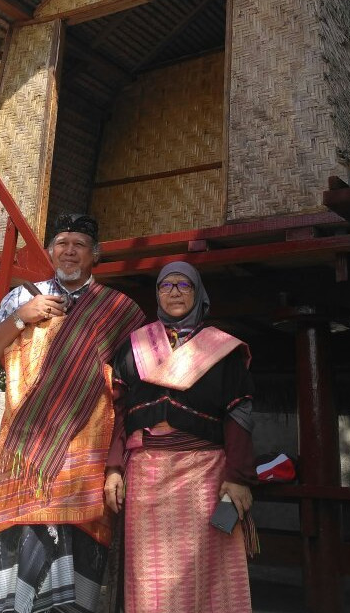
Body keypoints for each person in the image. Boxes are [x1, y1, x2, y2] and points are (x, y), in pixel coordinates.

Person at [0, 213, 145, 613]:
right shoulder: (23, 296)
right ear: (51, 250)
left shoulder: (116, 309)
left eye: (79, 245)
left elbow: (130, 385)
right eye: (62, 243)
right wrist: (23, 317)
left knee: (78, 534)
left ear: (94, 255)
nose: (69, 251)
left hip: (85, 447)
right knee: (20, 529)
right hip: (25, 446)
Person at [104, 261, 257, 613]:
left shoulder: (222, 349)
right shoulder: (133, 347)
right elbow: (120, 414)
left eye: (183, 285)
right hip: (147, 476)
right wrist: (114, 468)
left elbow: (239, 415)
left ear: (198, 292)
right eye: (165, 286)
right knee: (149, 574)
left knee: (207, 569)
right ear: (157, 294)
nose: (174, 292)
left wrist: (237, 478)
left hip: (205, 475)